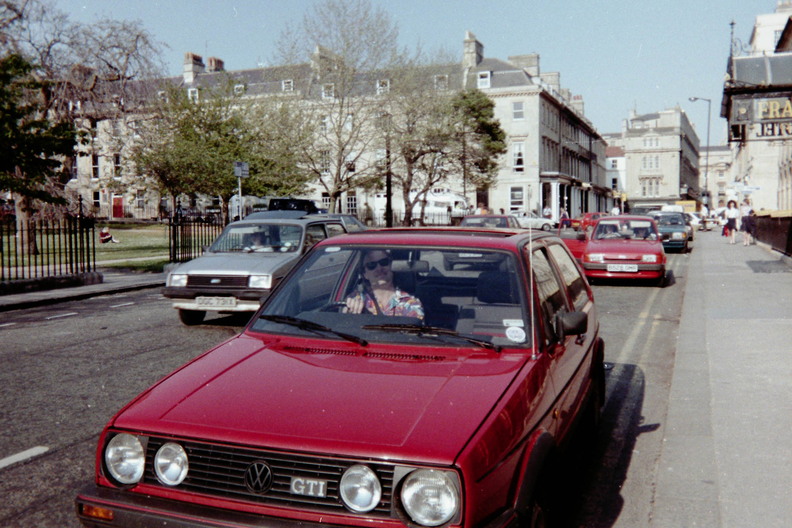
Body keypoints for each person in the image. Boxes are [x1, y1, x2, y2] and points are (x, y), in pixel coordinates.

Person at [344, 249, 424, 319]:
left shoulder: (410, 303)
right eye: (372, 265)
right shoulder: (356, 298)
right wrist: (349, 313)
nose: (379, 268)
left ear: (391, 266)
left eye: (384, 262)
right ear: (365, 274)